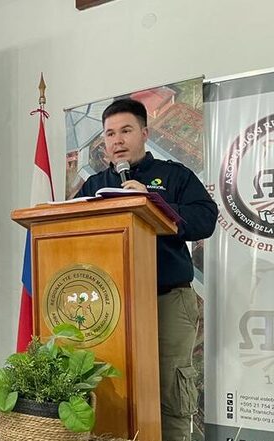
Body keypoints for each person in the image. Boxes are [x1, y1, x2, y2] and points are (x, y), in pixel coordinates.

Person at [76, 98, 217, 441]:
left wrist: (156, 204)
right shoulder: (95, 185)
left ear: (144, 133)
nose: (117, 140)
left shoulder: (174, 176)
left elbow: (206, 219)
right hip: (111, 306)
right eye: (109, 134)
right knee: (113, 386)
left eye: (126, 131)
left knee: (169, 387)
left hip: (166, 299)